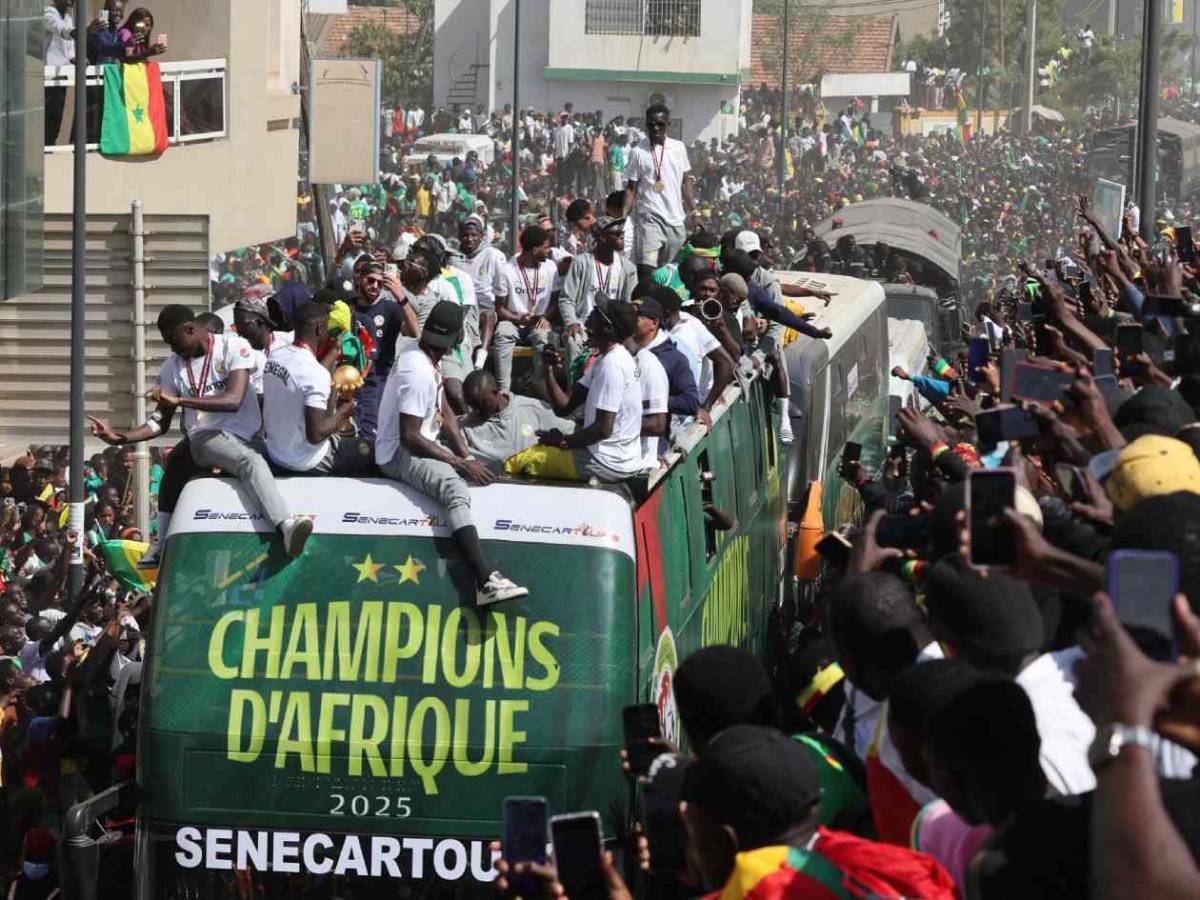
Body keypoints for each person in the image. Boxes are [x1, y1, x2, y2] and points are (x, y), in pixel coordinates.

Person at [86, 305, 313, 562]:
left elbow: (233, 399)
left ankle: (162, 543)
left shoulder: (233, 347)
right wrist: (121, 438)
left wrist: (181, 400)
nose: (173, 349)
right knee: (248, 461)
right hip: (207, 437)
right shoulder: (172, 366)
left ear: (190, 328)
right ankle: (285, 526)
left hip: (249, 436)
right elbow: (159, 421)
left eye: (174, 341)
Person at [680, 724, 957, 899]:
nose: (690, 849)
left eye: (693, 835)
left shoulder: (760, 887)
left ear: (728, 841)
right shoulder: (896, 867)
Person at [375, 301, 527, 606]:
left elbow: (444, 410)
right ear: (457, 335)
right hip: (397, 453)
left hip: (421, 439)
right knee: (455, 489)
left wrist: (467, 457)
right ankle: (483, 581)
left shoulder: (428, 357)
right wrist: (458, 464)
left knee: (482, 467)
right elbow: (409, 437)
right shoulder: (417, 370)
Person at [261, 302, 375, 476]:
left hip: (276, 454)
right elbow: (316, 434)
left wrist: (335, 350)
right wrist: (344, 411)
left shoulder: (275, 357)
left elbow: (306, 376)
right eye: (327, 327)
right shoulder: (314, 373)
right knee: (373, 453)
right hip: (307, 462)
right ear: (319, 329)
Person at [538, 302, 647, 481]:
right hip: (609, 456)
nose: (589, 317)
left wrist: (565, 441)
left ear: (607, 328)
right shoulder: (603, 360)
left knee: (525, 460)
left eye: (596, 313)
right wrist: (548, 370)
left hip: (609, 462)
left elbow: (604, 429)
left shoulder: (613, 363)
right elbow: (564, 407)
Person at [622, 103, 696, 281]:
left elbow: (685, 183)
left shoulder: (678, 148)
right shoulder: (637, 152)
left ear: (667, 124)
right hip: (650, 218)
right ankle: (646, 304)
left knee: (670, 272)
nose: (655, 128)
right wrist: (622, 219)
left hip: (676, 220)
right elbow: (631, 189)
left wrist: (695, 211)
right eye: (651, 124)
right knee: (647, 269)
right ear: (646, 125)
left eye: (660, 124)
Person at [559, 216, 638, 370]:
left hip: (613, 330)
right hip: (583, 325)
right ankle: (574, 389)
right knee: (573, 340)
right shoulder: (582, 263)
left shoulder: (628, 269)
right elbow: (566, 299)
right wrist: (571, 322)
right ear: (602, 237)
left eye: (622, 233)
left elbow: (628, 306)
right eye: (616, 233)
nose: (621, 236)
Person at [349, 256, 415, 438]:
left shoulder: (390, 308)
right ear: (358, 278)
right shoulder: (349, 306)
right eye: (370, 280)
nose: (375, 286)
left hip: (378, 379)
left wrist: (401, 296)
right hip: (348, 377)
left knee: (371, 433)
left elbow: (414, 331)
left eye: (380, 282)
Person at [459, 369, 574, 466]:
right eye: (472, 404)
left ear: (496, 392)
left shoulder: (533, 409)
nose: (476, 409)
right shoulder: (466, 427)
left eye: (482, 403)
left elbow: (573, 431)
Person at [493, 225, 559, 393]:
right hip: (514, 321)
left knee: (543, 337)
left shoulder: (551, 267)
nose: (549, 250)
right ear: (535, 249)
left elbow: (555, 302)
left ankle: (540, 390)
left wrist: (545, 318)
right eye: (546, 247)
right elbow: (500, 308)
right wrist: (517, 319)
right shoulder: (507, 270)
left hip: (540, 321)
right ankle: (503, 392)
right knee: (502, 333)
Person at [43, 0, 75, 146]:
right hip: (48, 74)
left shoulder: (68, 18)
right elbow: (61, 30)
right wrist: (83, 31)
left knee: (57, 115)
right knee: (48, 115)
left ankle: (50, 147)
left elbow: (69, 49)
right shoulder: (48, 13)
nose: (70, 1)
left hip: (62, 73)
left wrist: (76, 58)